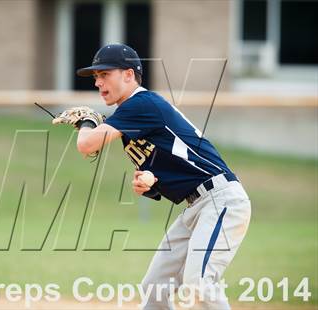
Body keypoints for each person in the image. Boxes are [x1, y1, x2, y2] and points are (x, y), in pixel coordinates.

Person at [57, 43, 251, 309]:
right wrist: (150, 184)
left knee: (200, 283)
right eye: (96, 77)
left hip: (221, 201)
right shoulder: (131, 118)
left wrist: (87, 122)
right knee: (155, 287)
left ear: (128, 74)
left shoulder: (141, 103)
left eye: (105, 74)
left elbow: (86, 145)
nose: (98, 82)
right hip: (196, 205)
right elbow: (170, 169)